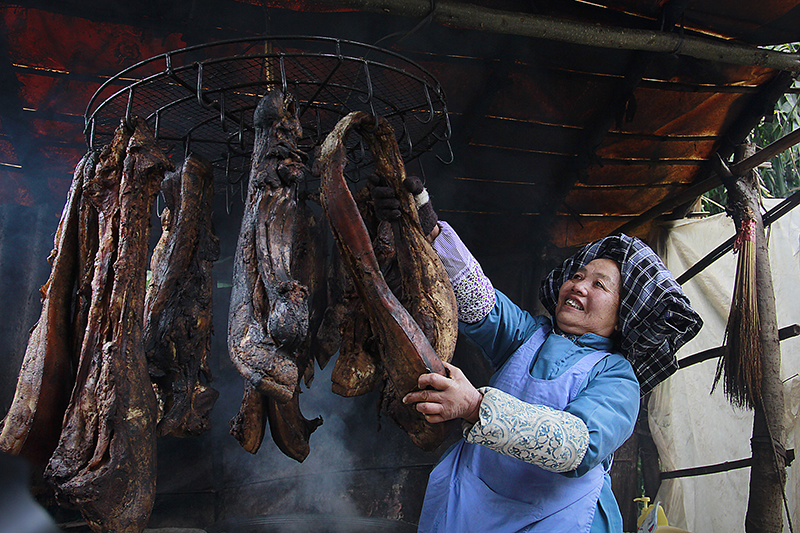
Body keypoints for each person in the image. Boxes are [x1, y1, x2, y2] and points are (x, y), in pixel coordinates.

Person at [370, 176, 703, 533]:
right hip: (472, 506)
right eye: (577, 274)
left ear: (624, 316)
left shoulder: (618, 378)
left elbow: (577, 444)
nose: (577, 285)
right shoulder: (530, 335)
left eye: (598, 284)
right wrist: (430, 232)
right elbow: (479, 298)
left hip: (554, 519)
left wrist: (474, 407)